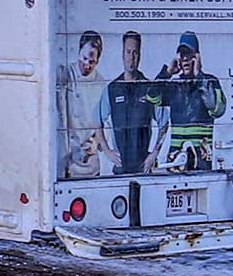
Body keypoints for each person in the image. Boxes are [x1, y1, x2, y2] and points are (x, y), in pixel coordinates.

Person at [161, 34, 227, 172]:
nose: (184, 58)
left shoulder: (210, 81)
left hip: (202, 161)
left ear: (197, 57)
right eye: (182, 54)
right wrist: (167, 73)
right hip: (176, 162)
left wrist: (199, 77)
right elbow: (150, 98)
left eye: (189, 54)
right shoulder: (174, 85)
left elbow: (217, 109)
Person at [104, 31, 164, 176]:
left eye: (135, 53)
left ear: (140, 55)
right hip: (120, 170)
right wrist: (108, 152)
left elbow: (165, 122)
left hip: (143, 169)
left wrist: (154, 153)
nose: (132, 57)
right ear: (122, 54)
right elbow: (96, 121)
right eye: (128, 52)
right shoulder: (112, 89)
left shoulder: (149, 88)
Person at [60, 31, 112, 179]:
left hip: (90, 163)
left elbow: (105, 122)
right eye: (84, 59)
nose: (87, 65)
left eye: (92, 62)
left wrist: (96, 142)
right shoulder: (66, 75)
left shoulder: (101, 84)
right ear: (79, 52)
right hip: (67, 160)